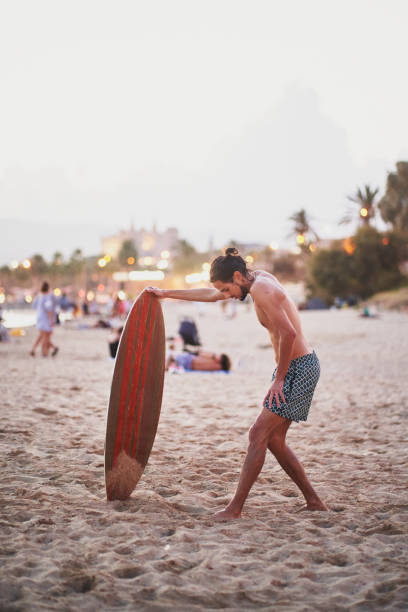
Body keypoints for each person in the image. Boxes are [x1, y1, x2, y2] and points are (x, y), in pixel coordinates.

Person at [147, 247, 327, 520]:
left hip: (297, 368)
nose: (228, 296)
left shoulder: (262, 290)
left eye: (227, 289)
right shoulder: (255, 279)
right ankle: (314, 501)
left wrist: (279, 380)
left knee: (258, 435)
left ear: (236, 276)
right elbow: (211, 294)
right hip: (294, 366)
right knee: (275, 440)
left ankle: (235, 508)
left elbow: (289, 334)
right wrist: (167, 294)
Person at [30, 282, 59, 357]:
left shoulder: (39, 296)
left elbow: (34, 306)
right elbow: (48, 309)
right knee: (45, 336)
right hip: (45, 318)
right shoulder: (47, 297)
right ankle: (45, 353)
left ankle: (34, 349)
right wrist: (51, 320)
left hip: (39, 316)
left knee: (42, 335)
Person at [166, 350, 231, 372]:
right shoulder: (217, 365)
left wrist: (213, 356)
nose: (218, 355)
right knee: (172, 362)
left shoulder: (215, 362)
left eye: (220, 356)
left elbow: (200, 353)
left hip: (188, 360)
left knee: (172, 357)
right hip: (188, 363)